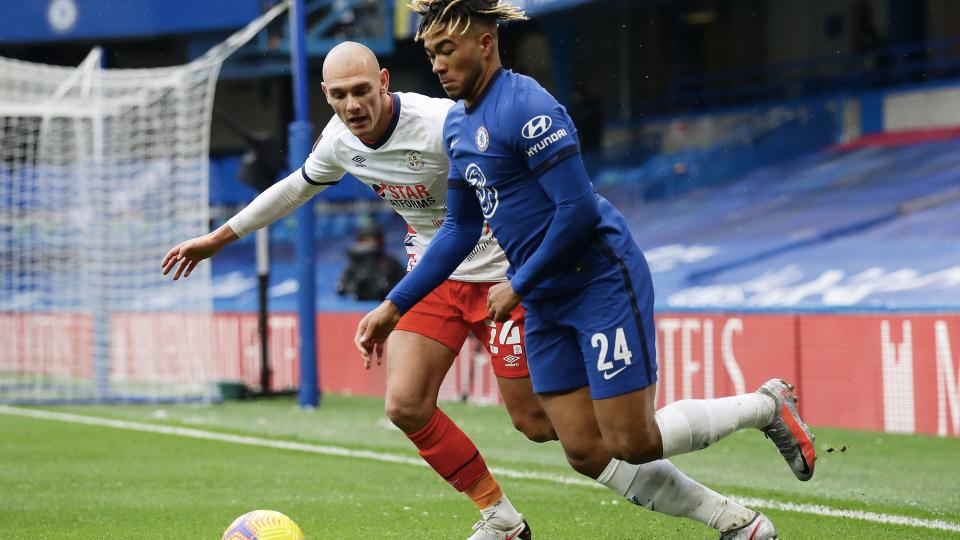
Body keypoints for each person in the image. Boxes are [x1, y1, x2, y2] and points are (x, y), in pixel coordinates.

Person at [354, 2, 817, 539]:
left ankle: (765, 406)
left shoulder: (528, 106)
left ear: (485, 45)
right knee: (581, 447)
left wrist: (518, 283)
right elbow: (457, 230)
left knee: (633, 440)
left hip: (597, 279)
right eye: (431, 53)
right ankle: (736, 523)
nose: (436, 65)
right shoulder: (457, 124)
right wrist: (395, 304)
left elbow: (577, 209)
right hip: (546, 296)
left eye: (447, 51)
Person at [161, 41, 555, 540]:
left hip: (502, 272)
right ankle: (500, 518)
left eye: (363, 91)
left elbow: (522, 181)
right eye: (340, 95)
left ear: (385, 82)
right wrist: (216, 239)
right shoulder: (338, 140)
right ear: (325, 94)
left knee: (537, 424)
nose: (353, 106)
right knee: (405, 405)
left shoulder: (441, 122)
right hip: (435, 276)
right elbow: (292, 188)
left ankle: (634, 436)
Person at [336, 223, 405, 301]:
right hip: (357, 307)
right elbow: (341, 289)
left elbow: (403, 288)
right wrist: (351, 286)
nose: (369, 245)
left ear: (380, 241)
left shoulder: (391, 263)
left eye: (373, 241)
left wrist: (384, 287)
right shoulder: (355, 264)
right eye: (365, 241)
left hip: (383, 305)